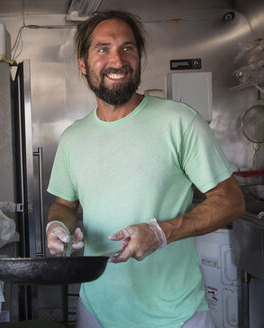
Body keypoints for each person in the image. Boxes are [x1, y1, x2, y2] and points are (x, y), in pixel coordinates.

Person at [46, 10, 245, 328]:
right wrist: (57, 226)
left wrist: (160, 233)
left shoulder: (180, 121)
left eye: (128, 47)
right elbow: (64, 204)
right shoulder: (73, 138)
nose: (118, 59)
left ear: (139, 57)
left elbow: (231, 200)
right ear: (83, 64)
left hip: (176, 316)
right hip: (97, 311)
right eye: (103, 49)